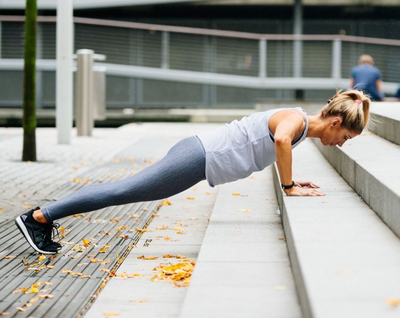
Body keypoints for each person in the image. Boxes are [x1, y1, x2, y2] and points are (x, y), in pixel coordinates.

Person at [15, 89, 370, 255]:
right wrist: (289, 185)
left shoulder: (301, 129)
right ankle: (39, 217)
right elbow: (279, 139)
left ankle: (42, 217)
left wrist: (293, 180)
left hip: (198, 155)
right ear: (336, 121)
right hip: (199, 156)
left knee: (125, 190)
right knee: (123, 191)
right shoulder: (294, 120)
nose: (342, 143)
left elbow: (279, 144)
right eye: (346, 136)